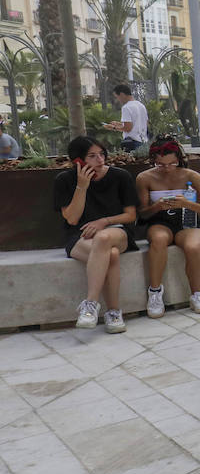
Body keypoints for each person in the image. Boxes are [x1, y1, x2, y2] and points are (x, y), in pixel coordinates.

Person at [53, 136, 139, 333]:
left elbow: (130, 215)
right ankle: (114, 313)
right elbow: (72, 219)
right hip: (80, 236)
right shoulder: (64, 180)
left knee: (104, 238)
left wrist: (104, 222)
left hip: (117, 231)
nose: (100, 160)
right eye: (92, 156)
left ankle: (90, 304)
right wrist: (82, 186)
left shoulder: (121, 176)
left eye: (101, 154)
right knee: (112, 255)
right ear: (78, 160)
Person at [136, 135, 200, 316]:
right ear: (153, 161)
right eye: (160, 165)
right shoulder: (144, 178)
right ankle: (155, 292)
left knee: (192, 247)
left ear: (179, 159)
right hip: (159, 221)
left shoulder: (192, 176)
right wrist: (157, 206)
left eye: (171, 163)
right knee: (158, 240)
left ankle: (196, 294)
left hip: (188, 219)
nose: (167, 169)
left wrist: (187, 204)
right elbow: (142, 214)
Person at [105, 83, 149, 153]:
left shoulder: (126, 107)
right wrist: (120, 124)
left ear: (122, 94)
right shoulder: (141, 105)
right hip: (144, 142)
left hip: (132, 143)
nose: (118, 100)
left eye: (117, 97)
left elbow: (128, 128)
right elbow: (143, 123)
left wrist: (113, 128)